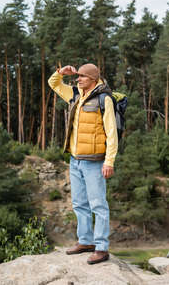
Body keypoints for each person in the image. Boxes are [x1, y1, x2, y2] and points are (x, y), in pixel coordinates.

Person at [48, 63, 118, 265]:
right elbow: (53, 84)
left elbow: (112, 133)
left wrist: (109, 161)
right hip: (75, 160)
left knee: (98, 205)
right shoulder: (75, 95)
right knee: (79, 203)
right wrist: (61, 73)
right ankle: (86, 241)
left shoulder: (104, 99)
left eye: (82, 77)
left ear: (93, 79)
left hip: (95, 162)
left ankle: (102, 248)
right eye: (77, 76)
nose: (78, 79)